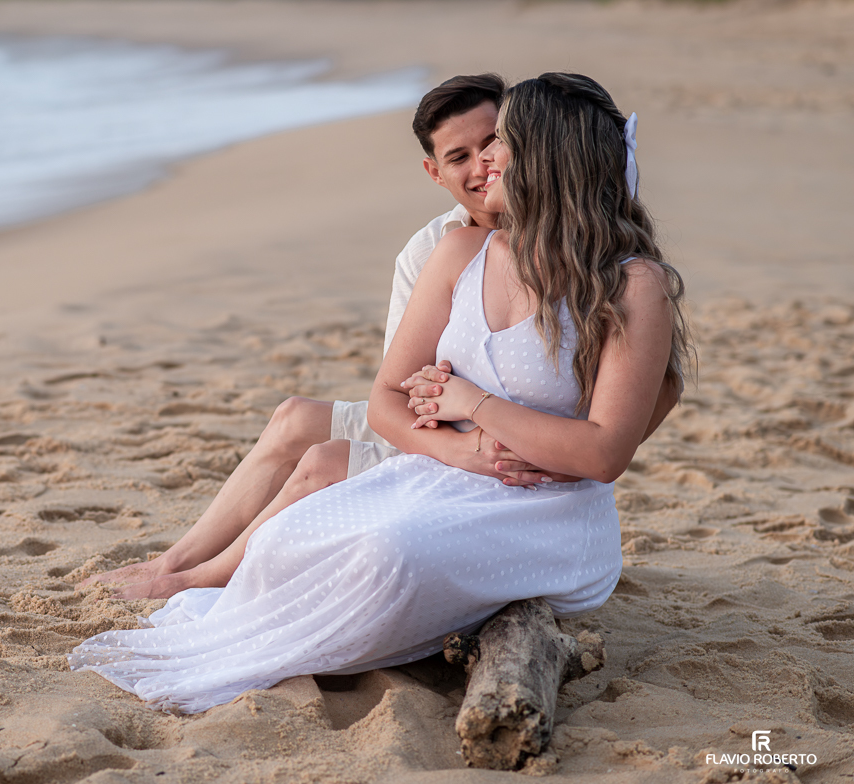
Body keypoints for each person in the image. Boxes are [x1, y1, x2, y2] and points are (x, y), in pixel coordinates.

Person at [69, 73, 692, 714]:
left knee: (386, 555)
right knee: (289, 535)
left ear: (545, 154)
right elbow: (389, 398)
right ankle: (191, 578)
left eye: (500, 141)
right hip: (444, 473)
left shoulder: (632, 283)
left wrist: (471, 402)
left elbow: (603, 453)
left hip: (547, 511)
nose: (488, 160)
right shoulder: (456, 251)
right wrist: (464, 449)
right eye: (471, 151)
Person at [80, 74, 581, 599]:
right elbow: (404, 392)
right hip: (441, 431)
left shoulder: (568, 240)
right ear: (434, 172)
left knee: (321, 460)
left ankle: (196, 578)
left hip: (492, 439)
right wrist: (450, 419)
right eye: (459, 157)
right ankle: (176, 560)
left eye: (490, 144)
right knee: (294, 416)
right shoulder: (432, 248)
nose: (481, 166)